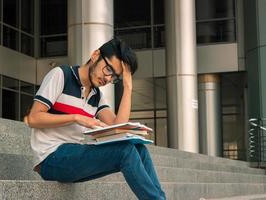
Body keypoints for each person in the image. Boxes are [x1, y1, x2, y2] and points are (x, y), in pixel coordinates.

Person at [27, 38, 166, 200]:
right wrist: (76, 117)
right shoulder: (61, 75)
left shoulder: (96, 95)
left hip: (73, 156)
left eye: (114, 77)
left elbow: (119, 128)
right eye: (108, 69)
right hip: (50, 158)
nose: (107, 78)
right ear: (95, 55)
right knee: (125, 151)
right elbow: (34, 118)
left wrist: (128, 88)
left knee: (139, 149)